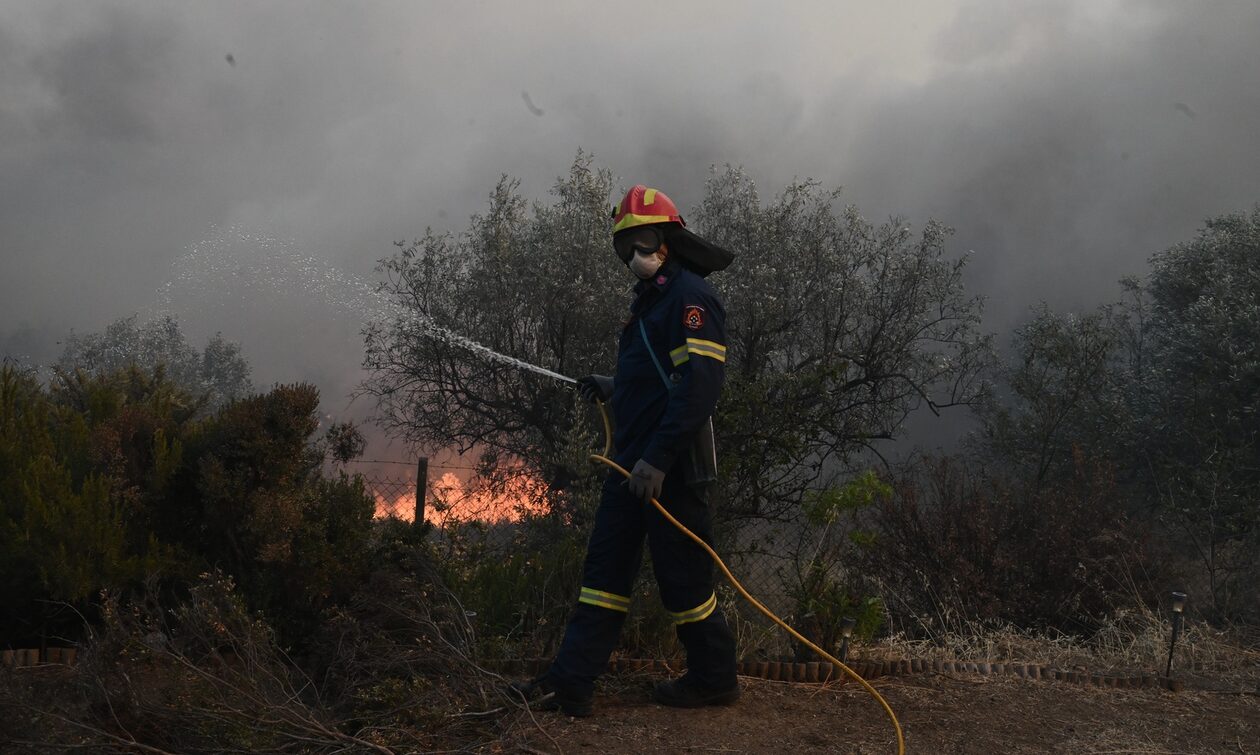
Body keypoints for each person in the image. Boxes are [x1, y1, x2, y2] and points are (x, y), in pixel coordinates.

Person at [511, 184, 738, 716]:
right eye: (626, 244)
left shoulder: (690, 298)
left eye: (646, 239)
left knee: (684, 580)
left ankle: (714, 677)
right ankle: (569, 683)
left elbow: (698, 388)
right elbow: (657, 378)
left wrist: (658, 460)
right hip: (629, 464)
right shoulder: (650, 301)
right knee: (603, 574)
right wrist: (614, 384)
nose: (636, 252)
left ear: (670, 238)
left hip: (669, 469)